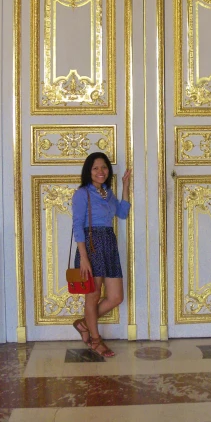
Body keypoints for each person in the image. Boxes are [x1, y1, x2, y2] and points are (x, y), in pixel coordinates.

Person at [71, 151, 131, 358]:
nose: (100, 171)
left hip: (108, 243)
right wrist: (84, 257)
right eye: (95, 168)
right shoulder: (82, 194)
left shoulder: (108, 193)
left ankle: (83, 324)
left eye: (104, 167)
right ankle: (95, 340)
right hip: (91, 245)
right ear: (89, 171)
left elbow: (122, 213)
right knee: (93, 295)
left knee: (116, 296)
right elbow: (77, 225)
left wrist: (125, 187)